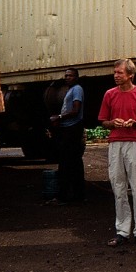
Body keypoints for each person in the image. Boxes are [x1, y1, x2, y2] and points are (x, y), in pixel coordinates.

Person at [98, 59, 136, 248]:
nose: (116, 76)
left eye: (120, 73)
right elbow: (103, 121)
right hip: (116, 144)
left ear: (130, 75)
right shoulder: (109, 95)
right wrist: (114, 123)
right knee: (118, 187)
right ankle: (122, 231)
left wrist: (134, 123)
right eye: (115, 72)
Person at [48, 68, 85, 205]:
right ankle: (76, 195)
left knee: (67, 162)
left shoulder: (77, 89)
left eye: (70, 76)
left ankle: (66, 196)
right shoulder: (71, 90)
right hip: (67, 127)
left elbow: (76, 110)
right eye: (66, 76)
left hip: (72, 128)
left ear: (76, 77)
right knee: (72, 161)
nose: (67, 78)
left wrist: (59, 116)